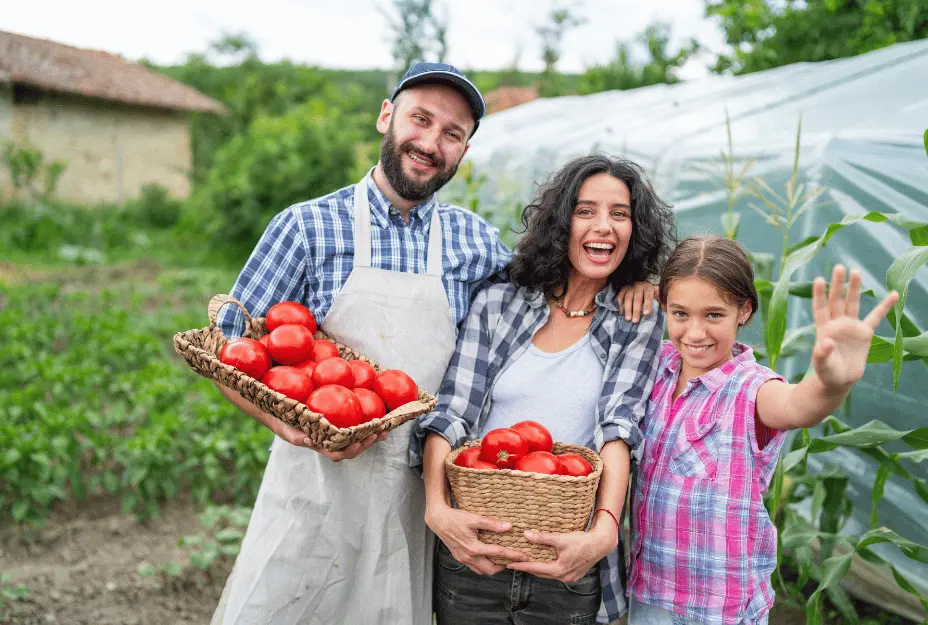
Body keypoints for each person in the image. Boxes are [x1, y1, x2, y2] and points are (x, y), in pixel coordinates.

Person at [210, 62, 512, 625]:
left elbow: (539, 308)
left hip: (416, 494)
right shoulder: (305, 227)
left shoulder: (475, 241)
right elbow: (229, 348)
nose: (430, 143)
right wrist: (282, 423)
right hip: (313, 486)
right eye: (420, 120)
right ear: (386, 117)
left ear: (464, 151)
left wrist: (630, 278)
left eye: (453, 134)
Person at [412, 154, 677, 625]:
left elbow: (620, 428)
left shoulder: (636, 318)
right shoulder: (499, 303)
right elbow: (453, 412)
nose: (605, 227)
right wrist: (438, 508)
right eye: (585, 211)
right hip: (475, 548)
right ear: (561, 222)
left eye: (620, 214)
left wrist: (604, 532)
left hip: (568, 559)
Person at [627, 235, 899, 625]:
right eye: (680, 313)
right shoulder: (658, 369)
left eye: (714, 315)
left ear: (745, 311)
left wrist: (832, 383)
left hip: (719, 607)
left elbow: (798, 405)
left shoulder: (751, 389)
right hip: (651, 590)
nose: (695, 332)